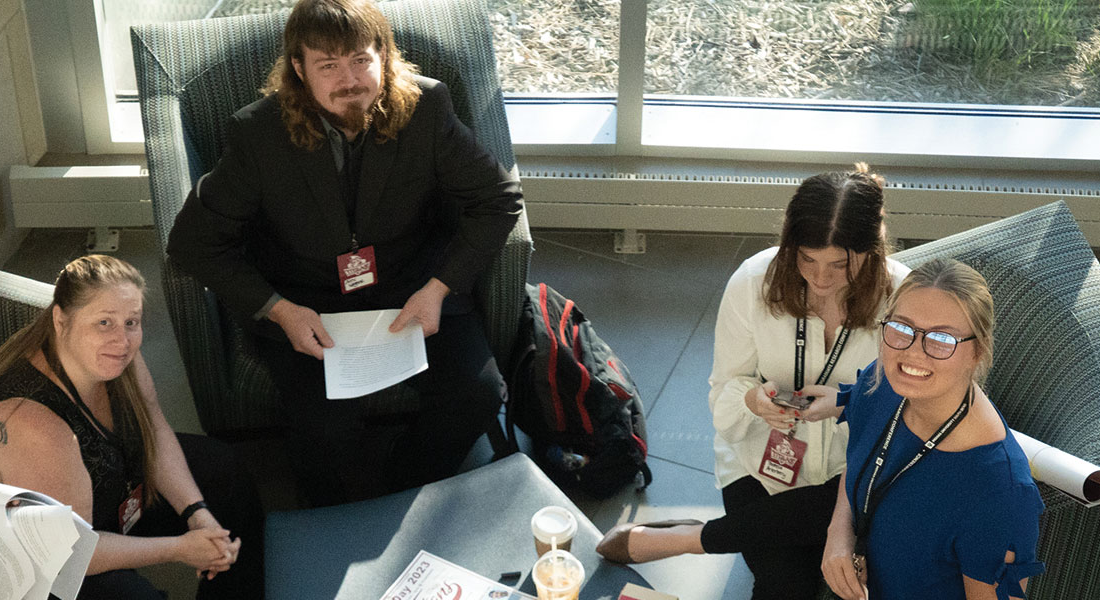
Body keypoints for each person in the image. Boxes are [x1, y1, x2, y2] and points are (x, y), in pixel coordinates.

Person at [165, 0, 522, 506]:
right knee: (322, 433)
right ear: (299, 69)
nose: (348, 80)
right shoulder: (258, 132)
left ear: (384, 56)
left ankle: (402, 483)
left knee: (477, 395)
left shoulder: (426, 107)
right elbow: (192, 243)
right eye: (328, 65)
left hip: (411, 285)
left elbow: (498, 199)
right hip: (305, 300)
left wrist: (439, 288)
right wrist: (278, 310)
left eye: (360, 60)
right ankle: (330, 517)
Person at [592, 166, 909, 599]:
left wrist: (847, 404)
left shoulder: (904, 298)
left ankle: (692, 538)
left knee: (849, 513)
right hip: (760, 466)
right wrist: (752, 401)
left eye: (840, 265)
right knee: (785, 587)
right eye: (807, 259)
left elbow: (913, 412)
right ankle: (728, 532)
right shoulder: (753, 282)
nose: (820, 279)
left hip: (851, 473)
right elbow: (723, 391)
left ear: (871, 252)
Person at [0, 255, 264, 600]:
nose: (122, 341)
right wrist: (179, 548)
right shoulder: (34, 425)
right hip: (37, 558)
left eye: (131, 322)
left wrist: (197, 513)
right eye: (103, 322)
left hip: (108, 495)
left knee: (225, 474)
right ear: (61, 320)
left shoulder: (117, 354)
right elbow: (71, 553)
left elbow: (153, 428)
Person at [820, 259, 1045, 600]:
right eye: (902, 328)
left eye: (942, 338)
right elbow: (857, 463)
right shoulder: (880, 385)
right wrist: (839, 535)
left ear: (978, 351)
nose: (913, 353)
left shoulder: (1000, 493)